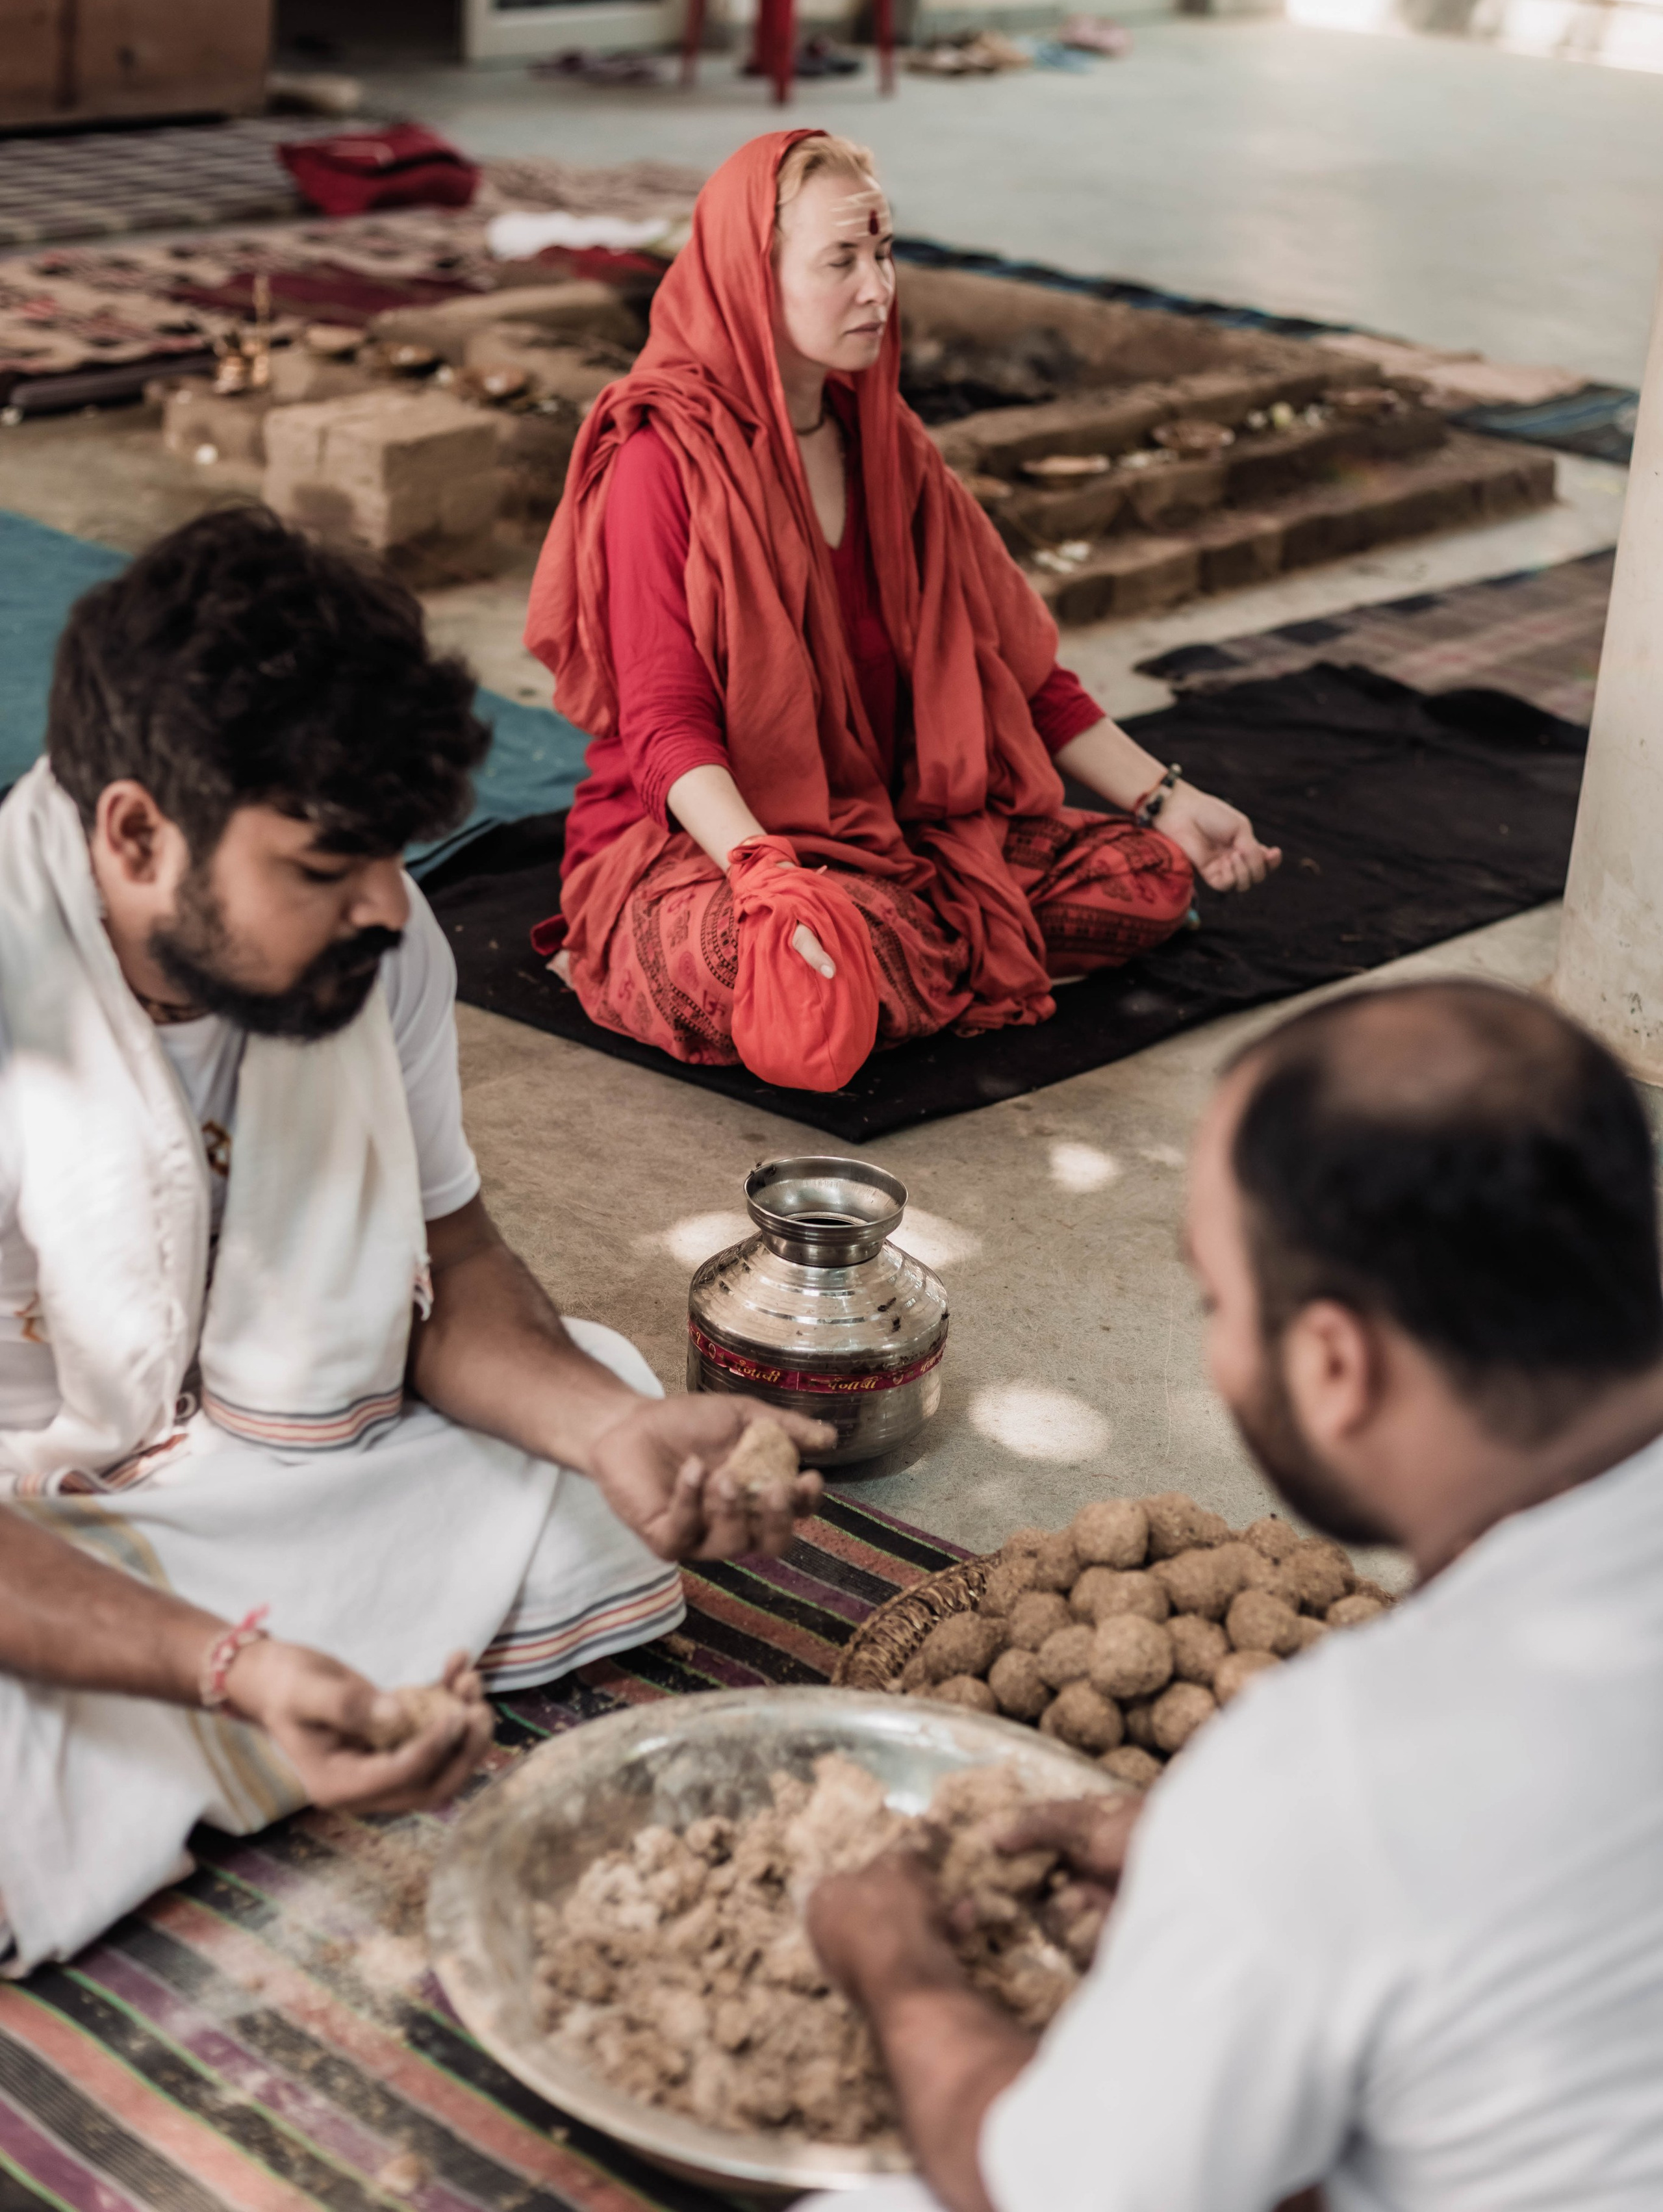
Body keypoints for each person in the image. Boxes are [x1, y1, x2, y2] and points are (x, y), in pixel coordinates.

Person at [0, 511, 831, 1973]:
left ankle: (237, 1710)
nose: (387, 906)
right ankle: (255, 1695)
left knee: (583, 1420)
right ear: (136, 834)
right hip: (31, 1505)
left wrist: (613, 1432)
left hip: (256, 1468)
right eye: (325, 868)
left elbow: (455, 1276)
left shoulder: (377, 936)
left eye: (391, 856)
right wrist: (231, 1664)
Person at [807, 978, 1663, 2211]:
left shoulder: (1332, 1766)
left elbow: (1039, 2191)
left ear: (1333, 1364)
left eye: (1218, 1302)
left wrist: (897, 1969)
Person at [525, 131, 1280, 1091]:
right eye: (840, 261)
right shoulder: (660, 458)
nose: (878, 289)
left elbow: (1017, 672)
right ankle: (893, 955)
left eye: (882, 254)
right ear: (750, 276)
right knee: (745, 960)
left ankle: (891, 961)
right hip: (709, 851)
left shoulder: (889, 449)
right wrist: (765, 874)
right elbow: (666, 725)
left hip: (889, 841)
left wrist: (1168, 803)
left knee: (1151, 878)